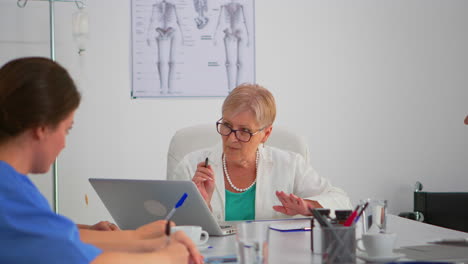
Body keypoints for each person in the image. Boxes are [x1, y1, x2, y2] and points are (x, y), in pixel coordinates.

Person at [0, 57, 202, 264]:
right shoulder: (9, 194)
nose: (64, 144)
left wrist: (139, 238)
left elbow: (50, 234)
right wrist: (166, 257)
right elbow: (74, 255)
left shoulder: (11, 186)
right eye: (67, 129)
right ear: (41, 128)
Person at [173, 83, 352, 221]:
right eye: (227, 126)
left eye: (244, 131)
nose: (231, 138)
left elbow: (342, 202)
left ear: (266, 134)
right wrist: (201, 206)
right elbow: (169, 226)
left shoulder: (290, 165)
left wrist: (308, 207)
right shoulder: (191, 166)